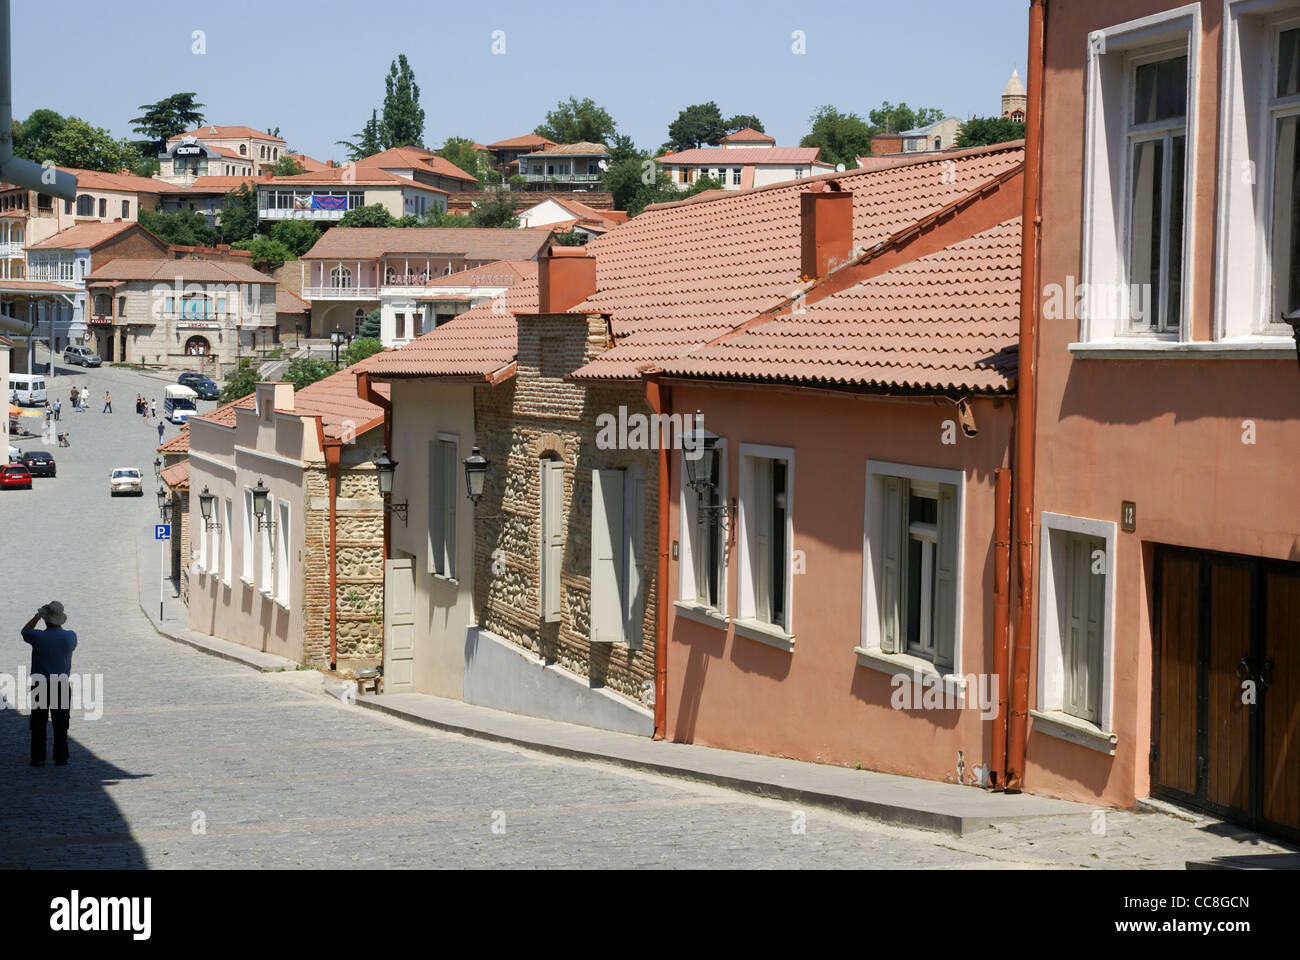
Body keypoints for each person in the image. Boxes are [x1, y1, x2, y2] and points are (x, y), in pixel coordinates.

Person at [20, 602, 77, 767]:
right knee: (61, 723)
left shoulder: (38, 637)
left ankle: (38, 757)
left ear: (46, 619)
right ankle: (61, 757)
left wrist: (38, 615)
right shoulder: (70, 636)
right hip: (61, 685)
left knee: (38, 723)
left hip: (40, 685)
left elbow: (25, 631)